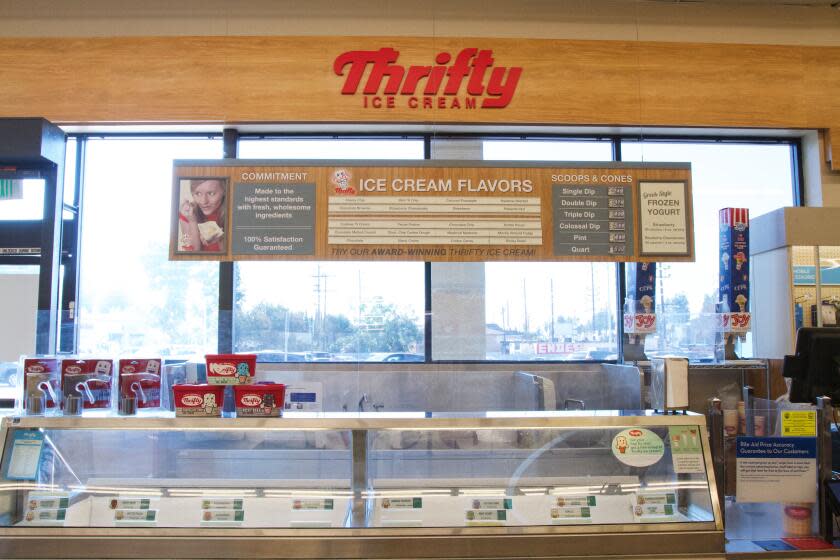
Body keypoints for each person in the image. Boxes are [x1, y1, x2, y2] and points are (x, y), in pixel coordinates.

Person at [178, 179, 226, 252]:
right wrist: (192, 221)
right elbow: (192, 253)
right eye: (198, 194)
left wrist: (221, 239)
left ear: (224, 191)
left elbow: (233, 257)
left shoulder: (237, 210)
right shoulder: (187, 213)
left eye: (211, 193)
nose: (204, 201)